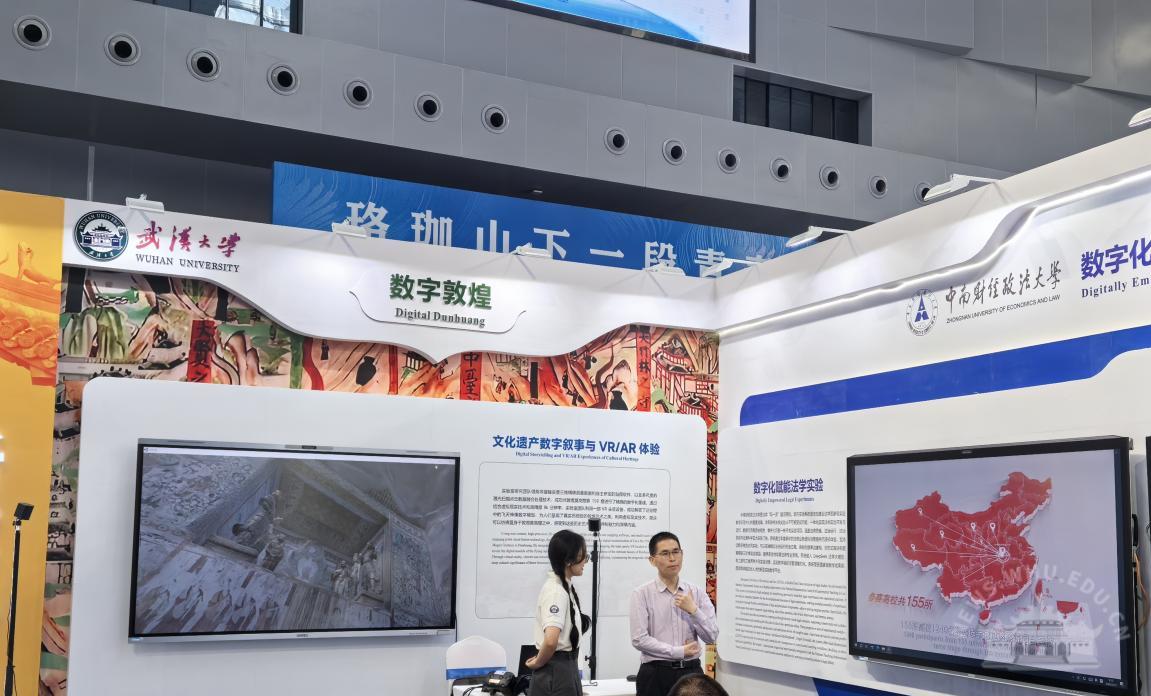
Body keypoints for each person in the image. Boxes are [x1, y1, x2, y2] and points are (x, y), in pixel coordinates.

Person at [629, 532, 719, 696]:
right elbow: (639, 639)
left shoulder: (696, 592)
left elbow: (711, 636)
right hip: (655, 673)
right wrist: (678, 651)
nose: (672, 558)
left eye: (676, 552)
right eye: (665, 553)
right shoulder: (641, 594)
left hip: (691, 672)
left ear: (682, 554)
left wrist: (694, 611)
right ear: (652, 560)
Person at [525, 529, 589, 696]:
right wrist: (538, 663)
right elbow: (551, 641)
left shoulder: (564, 587)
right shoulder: (556, 592)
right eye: (582, 556)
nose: (585, 561)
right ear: (568, 560)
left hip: (565, 668)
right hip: (555, 670)